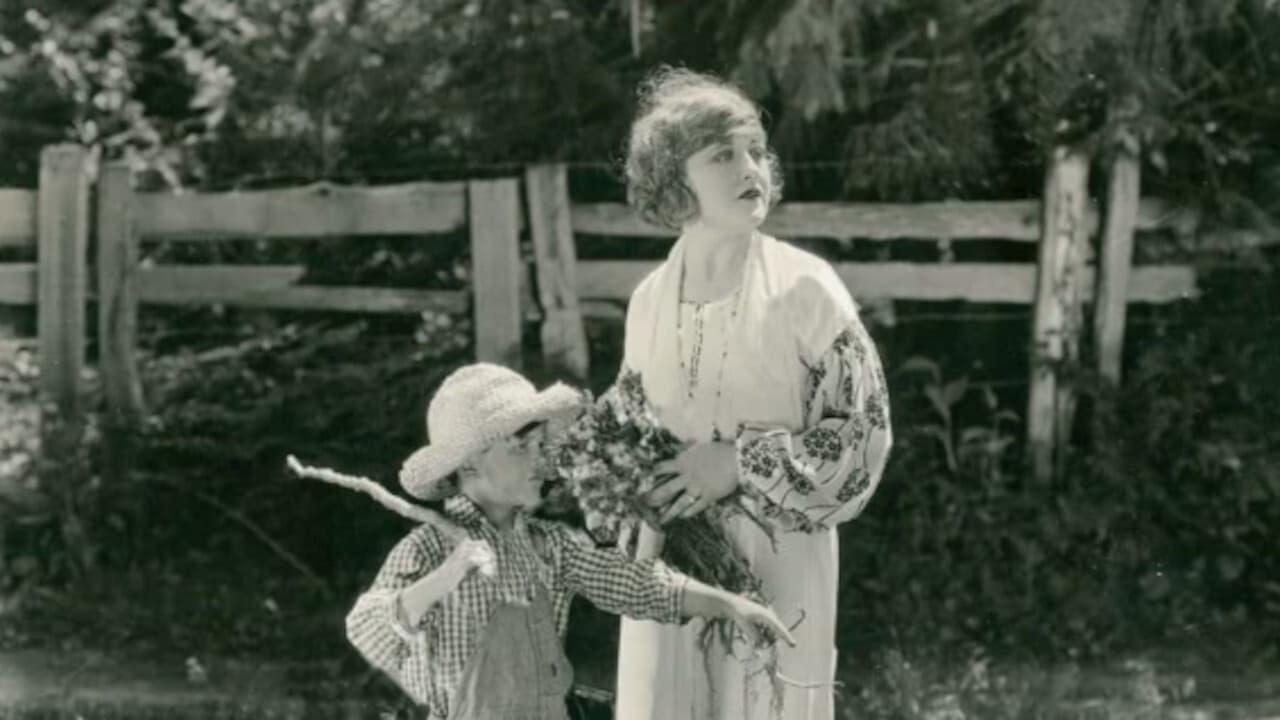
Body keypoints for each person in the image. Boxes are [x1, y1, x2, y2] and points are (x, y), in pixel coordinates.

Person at [614, 67, 894, 720]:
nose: (751, 168)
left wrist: (740, 461)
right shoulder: (649, 303)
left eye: (755, 152)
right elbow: (628, 429)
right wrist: (630, 490)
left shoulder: (806, 291)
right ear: (673, 184)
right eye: (722, 155)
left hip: (779, 571)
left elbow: (864, 439)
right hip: (674, 573)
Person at [345, 363, 796, 720]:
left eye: (543, 445)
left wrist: (729, 605)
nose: (544, 461)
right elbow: (366, 629)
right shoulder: (428, 548)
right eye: (524, 447)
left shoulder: (550, 546)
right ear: (469, 465)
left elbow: (636, 582)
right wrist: (446, 577)